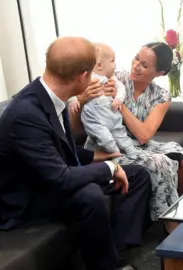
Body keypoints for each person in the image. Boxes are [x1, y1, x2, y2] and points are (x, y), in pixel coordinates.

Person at [0, 37, 151, 270]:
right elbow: (62, 177)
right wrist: (109, 168)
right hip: (30, 198)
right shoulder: (26, 114)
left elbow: (57, 150)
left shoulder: (51, 97)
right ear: (82, 76)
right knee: (89, 194)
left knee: (138, 175)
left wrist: (98, 157)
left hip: (50, 177)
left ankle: (116, 251)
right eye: (91, 74)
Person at [70, 42, 183, 221]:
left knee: (180, 152)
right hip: (107, 145)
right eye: (136, 58)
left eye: (144, 65)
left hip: (137, 143)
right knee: (161, 163)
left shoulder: (161, 96)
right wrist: (81, 99)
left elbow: (144, 135)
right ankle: (169, 222)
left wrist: (119, 103)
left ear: (159, 73)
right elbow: (76, 125)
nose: (135, 66)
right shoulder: (112, 78)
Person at [69, 43, 138, 156]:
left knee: (120, 132)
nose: (115, 65)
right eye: (112, 61)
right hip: (94, 117)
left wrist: (118, 99)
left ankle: (131, 150)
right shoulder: (85, 77)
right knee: (105, 137)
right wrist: (74, 99)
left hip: (110, 112)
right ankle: (115, 153)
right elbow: (73, 89)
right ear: (100, 65)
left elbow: (120, 87)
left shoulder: (110, 78)